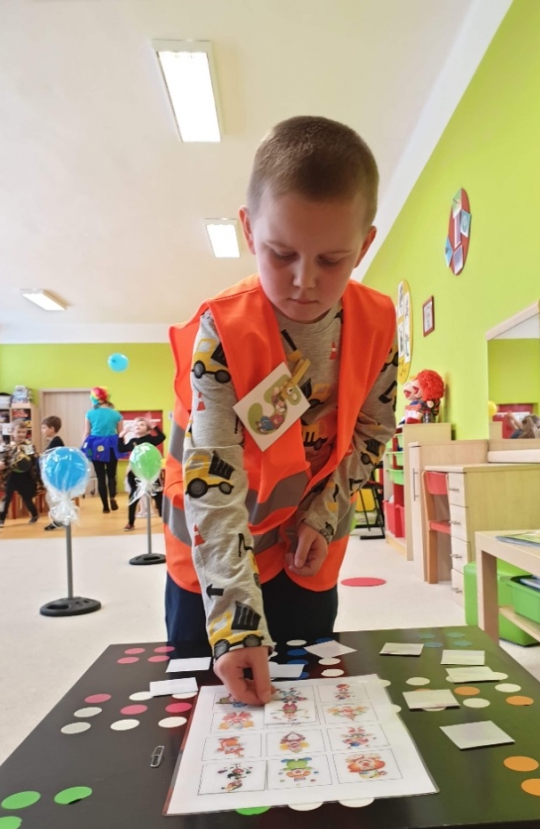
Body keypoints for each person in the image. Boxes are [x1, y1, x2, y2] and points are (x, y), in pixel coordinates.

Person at [163, 116, 398, 707]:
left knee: (310, 689)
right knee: (209, 699)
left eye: (333, 259)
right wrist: (234, 625)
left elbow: (372, 430)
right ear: (248, 229)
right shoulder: (221, 331)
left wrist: (324, 514)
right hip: (214, 550)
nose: (303, 282)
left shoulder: (377, 322)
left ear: (365, 244)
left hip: (306, 545)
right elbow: (213, 480)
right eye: (281, 253)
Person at [81, 388, 124, 514]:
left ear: (94, 399)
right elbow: (121, 433)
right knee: (111, 475)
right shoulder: (116, 414)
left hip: (96, 445)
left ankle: (105, 506)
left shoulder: (90, 413)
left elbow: (87, 432)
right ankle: (112, 497)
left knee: (100, 477)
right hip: (111, 445)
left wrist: (83, 447)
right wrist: (122, 447)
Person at [122, 417, 166, 531]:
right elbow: (121, 449)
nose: (138, 426)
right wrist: (121, 435)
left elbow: (162, 437)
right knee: (133, 498)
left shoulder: (150, 439)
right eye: (136, 424)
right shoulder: (132, 441)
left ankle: (165, 521)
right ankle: (130, 522)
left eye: (142, 424)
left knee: (158, 496)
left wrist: (154, 427)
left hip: (150, 472)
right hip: (135, 473)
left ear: (147, 430)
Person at [0, 421, 39, 527]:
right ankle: (1, 519)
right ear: (12, 432)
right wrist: (0, 464)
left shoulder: (29, 446)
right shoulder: (8, 447)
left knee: (27, 497)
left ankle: (34, 514)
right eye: (18, 432)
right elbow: (3, 460)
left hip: (25, 476)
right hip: (12, 475)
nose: (21, 434)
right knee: (6, 498)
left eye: (23, 432)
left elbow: (33, 460)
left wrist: (33, 459)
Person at [41, 415, 65, 531]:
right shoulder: (53, 441)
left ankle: (59, 520)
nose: (42, 430)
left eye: (44, 428)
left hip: (56, 476)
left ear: (52, 428)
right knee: (51, 498)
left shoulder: (56, 441)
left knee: (54, 498)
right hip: (53, 476)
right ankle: (59, 520)